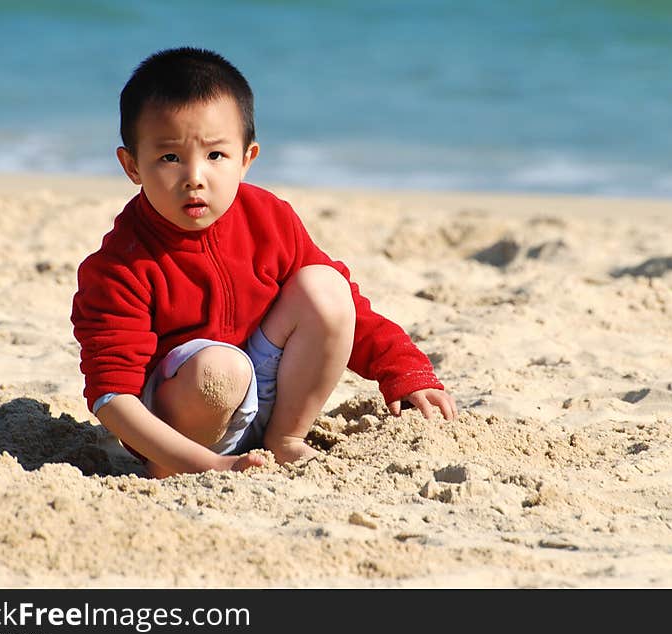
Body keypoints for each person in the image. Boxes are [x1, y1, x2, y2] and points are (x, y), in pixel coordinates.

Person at [71, 47, 456, 479]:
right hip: (184, 426)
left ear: (246, 159)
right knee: (220, 368)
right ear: (132, 166)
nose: (195, 176)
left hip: (267, 394)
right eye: (169, 157)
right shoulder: (120, 266)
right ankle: (181, 467)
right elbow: (112, 398)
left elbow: (347, 307)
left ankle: (286, 440)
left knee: (324, 286)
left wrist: (406, 372)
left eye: (216, 155)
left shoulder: (269, 218)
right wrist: (211, 463)